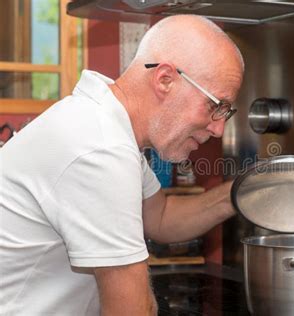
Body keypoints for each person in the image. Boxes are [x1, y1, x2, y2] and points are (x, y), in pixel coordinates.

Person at [0, 15, 244, 315]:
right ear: (165, 79)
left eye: (226, 112)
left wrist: (245, 191)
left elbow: (162, 218)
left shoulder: (107, 124)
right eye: (214, 106)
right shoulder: (100, 148)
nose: (218, 129)